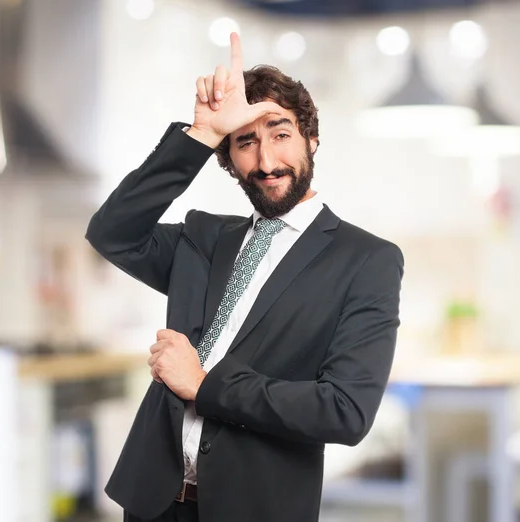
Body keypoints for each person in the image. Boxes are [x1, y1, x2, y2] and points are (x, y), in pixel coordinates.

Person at [86, 32, 403, 522]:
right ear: (228, 160)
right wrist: (201, 135)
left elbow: (345, 410)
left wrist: (205, 385)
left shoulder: (366, 260)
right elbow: (113, 233)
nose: (267, 161)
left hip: (255, 508)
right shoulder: (204, 237)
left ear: (311, 139)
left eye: (280, 134)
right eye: (245, 142)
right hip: (155, 503)